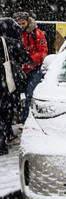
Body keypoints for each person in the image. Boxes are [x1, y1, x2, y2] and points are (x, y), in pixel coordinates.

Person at [0, 18, 32, 155]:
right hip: (5, 83)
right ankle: (2, 141)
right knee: (5, 111)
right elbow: (24, 58)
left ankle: (5, 135)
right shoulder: (11, 42)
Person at [13, 12, 47, 122]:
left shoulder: (37, 33)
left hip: (34, 68)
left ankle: (26, 119)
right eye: (18, 24)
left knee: (30, 94)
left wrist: (30, 59)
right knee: (15, 94)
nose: (21, 26)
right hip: (19, 69)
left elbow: (43, 51)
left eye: (23, 23)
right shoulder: (14, 34)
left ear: (28, 22)